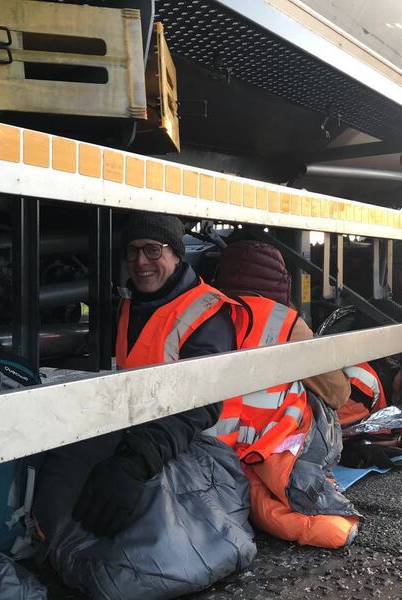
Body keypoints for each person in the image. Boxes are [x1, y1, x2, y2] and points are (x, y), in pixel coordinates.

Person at [31, 213, 256, 600]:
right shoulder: (131, 306)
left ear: (176, 253)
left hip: (199, 448)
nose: (140, 261)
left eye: (153, 250)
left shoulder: (207, 313)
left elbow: (199, 405)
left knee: (149, 540)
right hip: (143, 437)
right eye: (133, 251)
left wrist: (136, 462)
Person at [211, 239, 360, 548]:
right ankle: (325, 525)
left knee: (255, 498)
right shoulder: (285, 322)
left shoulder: (204, 315)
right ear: (280, 281)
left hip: (218, 450)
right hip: (276, 452)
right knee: (319, 399)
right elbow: (337, 393)